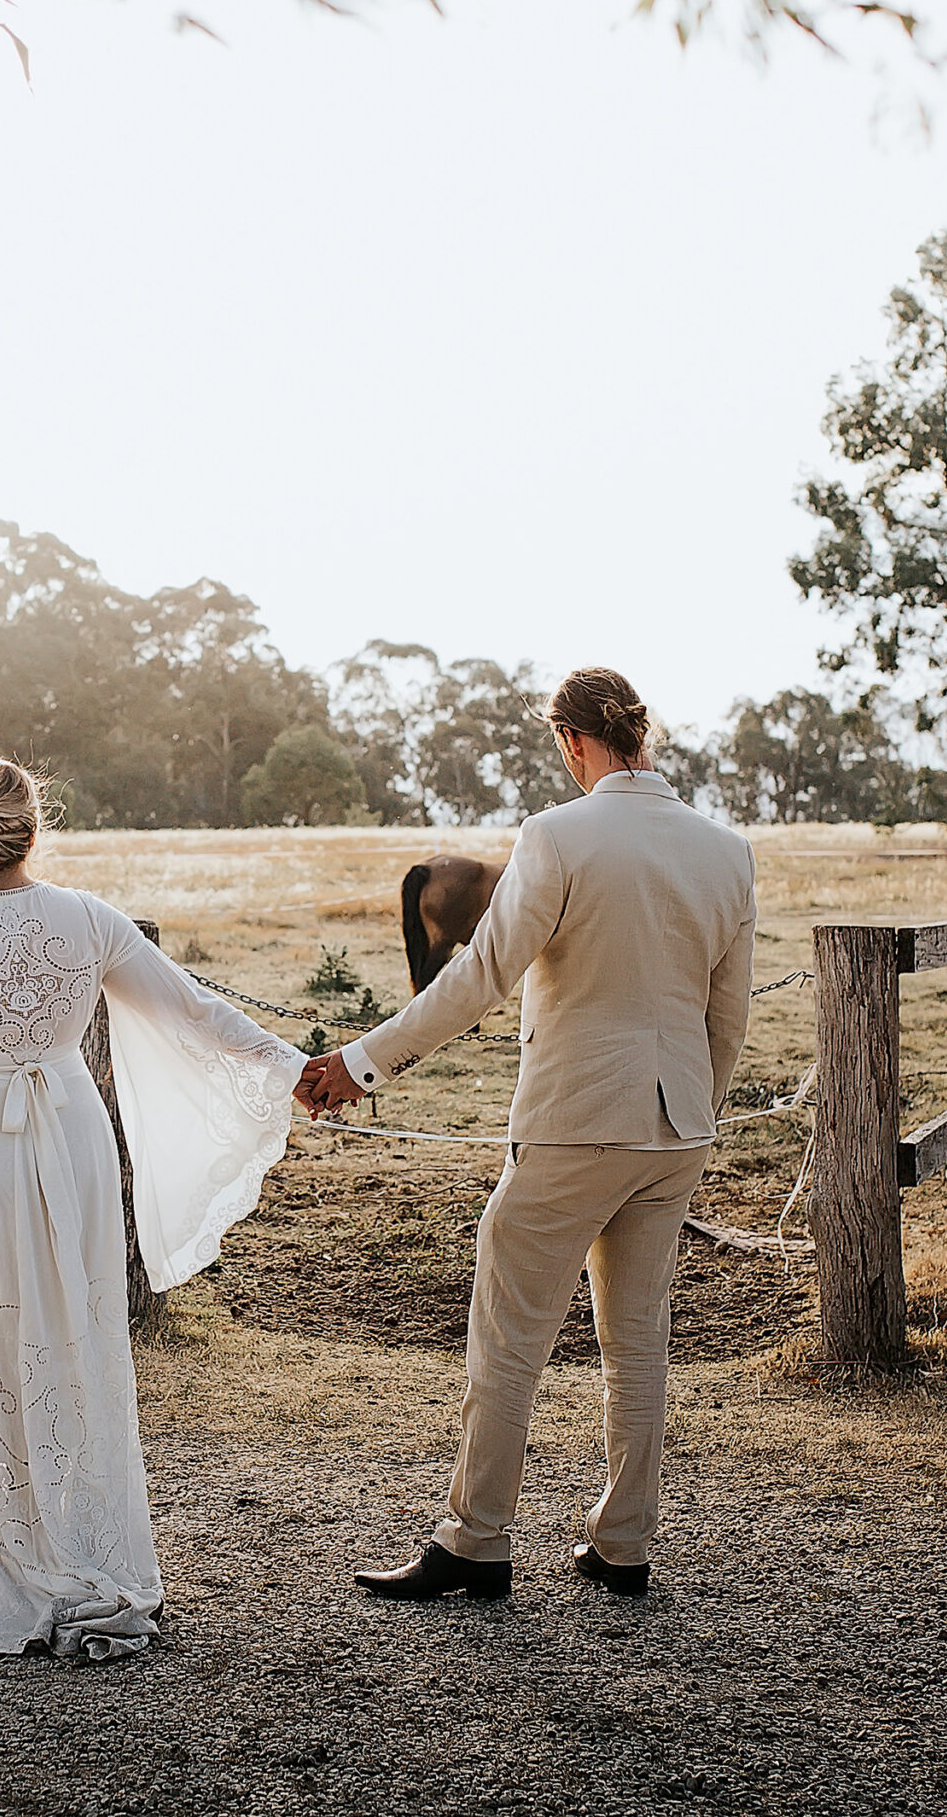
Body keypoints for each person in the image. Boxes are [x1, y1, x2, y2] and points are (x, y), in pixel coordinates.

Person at [298, 667, 755, 1602]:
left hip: (574, 1123)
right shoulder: (726, 850)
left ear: (571, 742)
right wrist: (691, 1114)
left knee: (509, 1336)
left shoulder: (556, 835)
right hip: (678, 1129)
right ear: (641, 737)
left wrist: (362, 1062)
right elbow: (729, 1014)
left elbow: (478, 978)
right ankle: (621, 1544)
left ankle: (474, 1541)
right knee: (637, 1340)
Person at [0, 758, 304, 1660]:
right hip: (71, 1151)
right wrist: (293, 1068)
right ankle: (78, 1543)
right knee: (69, 1339)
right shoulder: (87, 920)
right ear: (32, 829)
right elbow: (195, 1013)